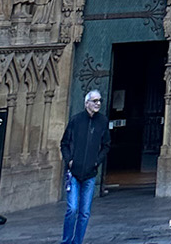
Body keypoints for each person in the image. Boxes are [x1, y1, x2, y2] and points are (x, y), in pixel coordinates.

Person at [59, 88, 111, 244]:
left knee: (85, 213)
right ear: (86, 103)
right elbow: (64, 143)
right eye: (95, 101)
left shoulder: (102, 121)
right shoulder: (76, 120)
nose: (98, 103)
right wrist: (69, 160)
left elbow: (106, 145)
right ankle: (67, 241)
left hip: (90, 173)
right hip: (74, 172)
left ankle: (78, 242)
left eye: (100, 100)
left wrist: (97, 161)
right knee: (72, 209)